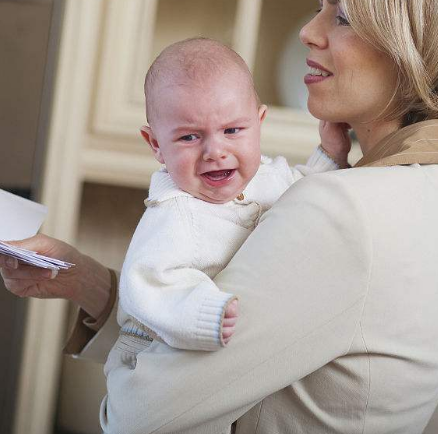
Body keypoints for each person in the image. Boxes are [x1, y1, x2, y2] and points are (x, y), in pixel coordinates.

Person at [0, 0, 438, 433]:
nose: (308, 32)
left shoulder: (344, 213)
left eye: (343, 16)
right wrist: (87, 282)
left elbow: (138, 416)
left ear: (416, 48)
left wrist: (132, 367)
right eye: (320, 7)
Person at [116, 36, 348, 358]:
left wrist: (331, 154)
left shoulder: (271, 176)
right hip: (151, 348)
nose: (215, 152)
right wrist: (205, 312)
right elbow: (147, 284)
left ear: (259, 123)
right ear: (155, 144)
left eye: (232, 131)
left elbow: (306, 193)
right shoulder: (173, 214)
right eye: (189, 137)